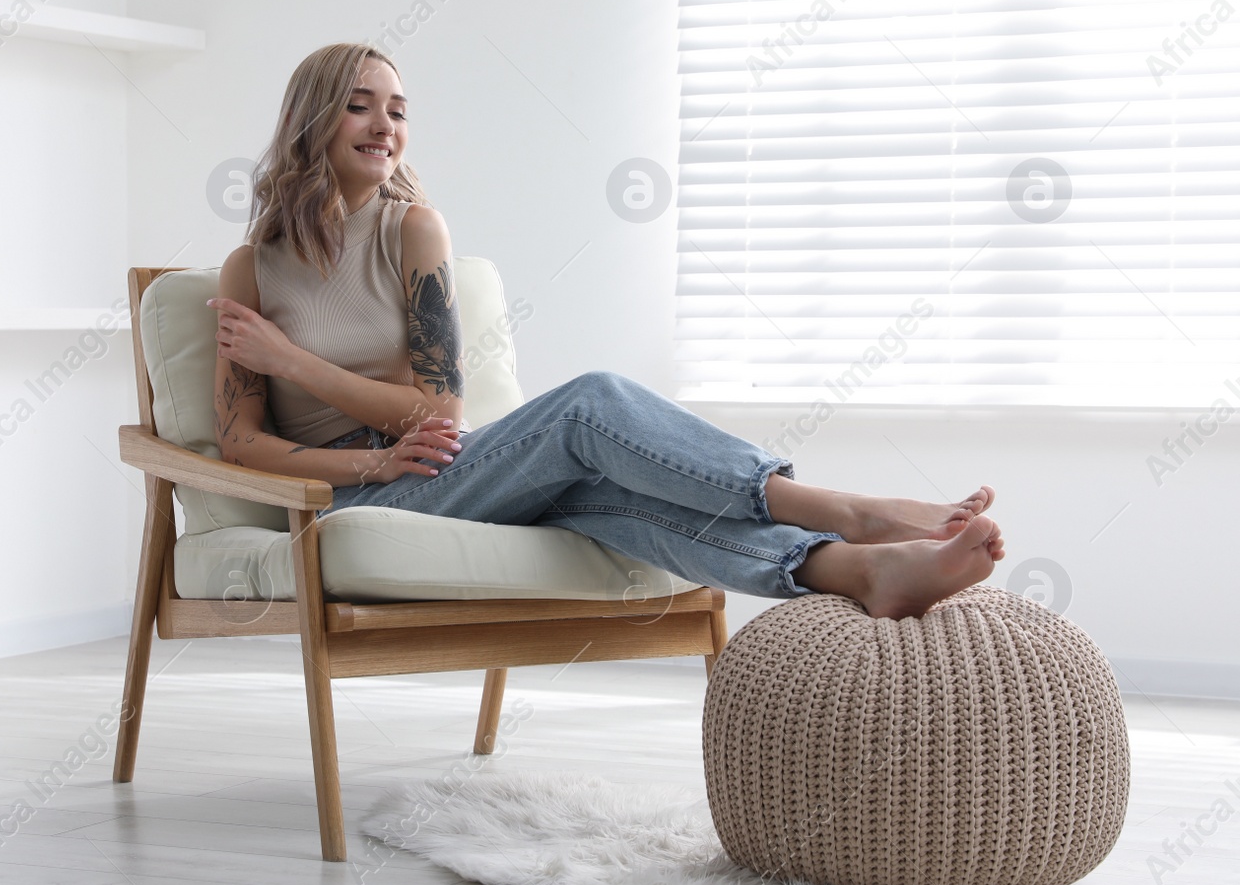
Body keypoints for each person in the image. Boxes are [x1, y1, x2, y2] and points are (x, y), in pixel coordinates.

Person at [206, 42, 1004, 620]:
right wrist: (361, 448)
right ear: (314, 117)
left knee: (621, 501)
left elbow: (439, 416)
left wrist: (293, 360)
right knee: (590, 404)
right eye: (360, 104)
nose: (386, 124)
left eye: (399, 110)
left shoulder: (414, 230)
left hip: (449, 472)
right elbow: (239, 444)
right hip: (348, 494)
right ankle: (845, 510)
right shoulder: (251, 269)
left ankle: (857, 567)